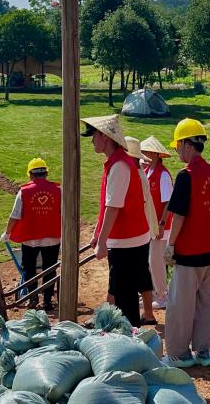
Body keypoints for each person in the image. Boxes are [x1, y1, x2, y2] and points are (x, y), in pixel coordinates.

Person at [164, 118, 210, 369]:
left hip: (190, 252)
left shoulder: (186, 176)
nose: (177, 151)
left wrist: (170, 245)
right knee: (206, 303)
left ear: (187, 145)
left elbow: (179, 215)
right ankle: (205, 352)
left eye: (178, 145)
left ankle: (179, 354)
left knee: (181, 305)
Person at [82, 114, 153, 328]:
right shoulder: (116, 163)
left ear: (105, 137)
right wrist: (98, 233)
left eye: (94, 135)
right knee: (123, 293)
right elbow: (107, 204)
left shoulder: (119, 166)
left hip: (127, 240)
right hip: (129, 238)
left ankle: (129, 336)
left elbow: (114, 207)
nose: (92, 140)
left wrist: (103, 241)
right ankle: (129, 334)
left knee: (124, 299)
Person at [1, 157, 61, 311]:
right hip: (52, 237)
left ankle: (32, 298)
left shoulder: (24, 192)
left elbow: (15, 215)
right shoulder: (58, 190)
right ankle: (47, 301)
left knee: (29, 268)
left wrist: (7, 232)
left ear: (30, 175)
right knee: (50, 268)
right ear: (46, 173)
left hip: (30, 238)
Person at [124, 136, 160, 326]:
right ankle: (148, 313)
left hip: (136, 230)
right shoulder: (141, 173)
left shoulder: (135, 175)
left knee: (125, 274)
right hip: (143, 229)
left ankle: (134, 313)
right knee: (142, 272)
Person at [141, 135, 173, 311]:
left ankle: (162, 296)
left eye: (145, 151)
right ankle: (155, 293)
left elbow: (168, 202)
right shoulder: (148, 171)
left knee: (156, 261)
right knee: (151, 261)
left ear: (153, 153)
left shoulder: (163, 175)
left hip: (160, 226)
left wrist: (162, 224)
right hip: (151, 225)